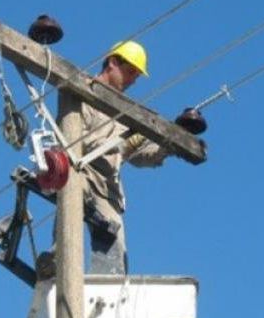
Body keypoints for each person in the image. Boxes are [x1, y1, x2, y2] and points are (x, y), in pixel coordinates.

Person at [37, 40, 180, 277]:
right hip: (80, 172)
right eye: (131, 71)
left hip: (108, 188)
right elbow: (71, 140)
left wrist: (167, 146)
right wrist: (121, 145)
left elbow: (140, 157)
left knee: (116, 249)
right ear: (113, 63)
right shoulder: (82, 92)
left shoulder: (127, 112)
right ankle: (56, 257)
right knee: (70, 205)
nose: (134, 79)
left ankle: (109, 287)